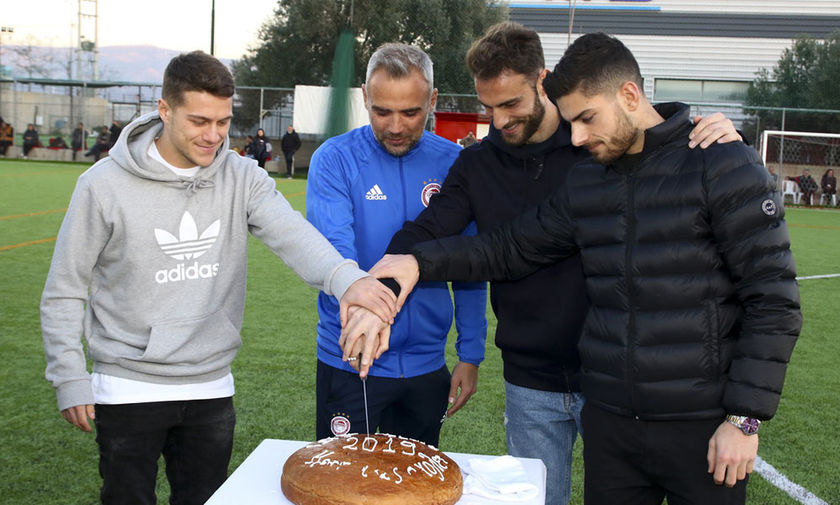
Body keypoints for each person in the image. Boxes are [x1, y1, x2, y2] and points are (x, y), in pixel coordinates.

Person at [370, 33, 801, 505]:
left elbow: (773, 300)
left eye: (586, 120)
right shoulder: (586, 178)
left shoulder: (715, 161)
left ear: (629, 96)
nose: (576, 137)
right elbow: (506, 249)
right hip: (605, 418)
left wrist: (743, 418)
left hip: (696, 421)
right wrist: (409, 263)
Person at [40, 50, 397, 505]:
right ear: (164, 110)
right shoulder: (102, 185)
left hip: (211, 384)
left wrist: (349, 280)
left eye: (223, 122)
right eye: (199, 121)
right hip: (128, 385)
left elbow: (294, 236)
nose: (213, 136)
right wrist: (69, 375)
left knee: (205, 499)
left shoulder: (242, 177)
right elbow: (65, 290)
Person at [306, 43, 488, 448]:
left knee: (417, 488)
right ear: (365, 98)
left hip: (427, 368)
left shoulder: (456, 163)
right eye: (381, 111)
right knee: (345, 487)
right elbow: (337, 257)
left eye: (411, 112)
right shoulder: (334, 160)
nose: (395, 126)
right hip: (353, 362)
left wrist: (471, 354)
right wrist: (368, 320)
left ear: (433, 100)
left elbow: (470, 266)